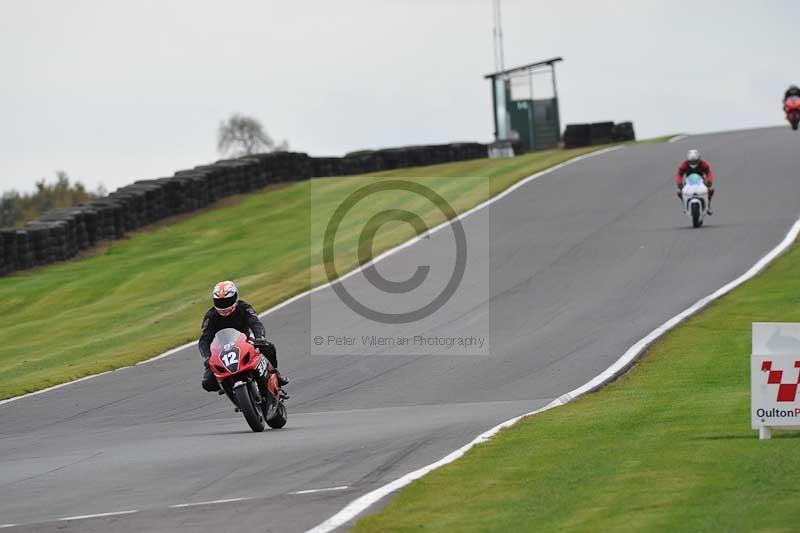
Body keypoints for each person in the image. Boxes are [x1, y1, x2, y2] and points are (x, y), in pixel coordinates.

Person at [198, 280, 288, 392]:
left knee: (268, 347)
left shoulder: (244, 307)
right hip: (221, 349)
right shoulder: (210, 316)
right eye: (220, 302)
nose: (224, 306)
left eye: (227, 301)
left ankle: (275, 374)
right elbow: (204, 340)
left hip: (245, 341)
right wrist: (207, 357)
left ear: (235, 298)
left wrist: (260, 337)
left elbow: (255, 323)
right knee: (208, 383)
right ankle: (227, 387)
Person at [675, 149, 715, 215]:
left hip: (701, 181)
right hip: (688, 182)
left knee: (710, 190)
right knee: (679, 192)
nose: (693, 163)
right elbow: (679, 174)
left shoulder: (703, 163)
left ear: (699, 159)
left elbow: (709, 173)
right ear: (687, 160)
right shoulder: (684, 164)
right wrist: (679, 183)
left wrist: (709, 181)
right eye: (691, 162)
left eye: (695, 161)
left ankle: (708, 206)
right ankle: (685, 206)